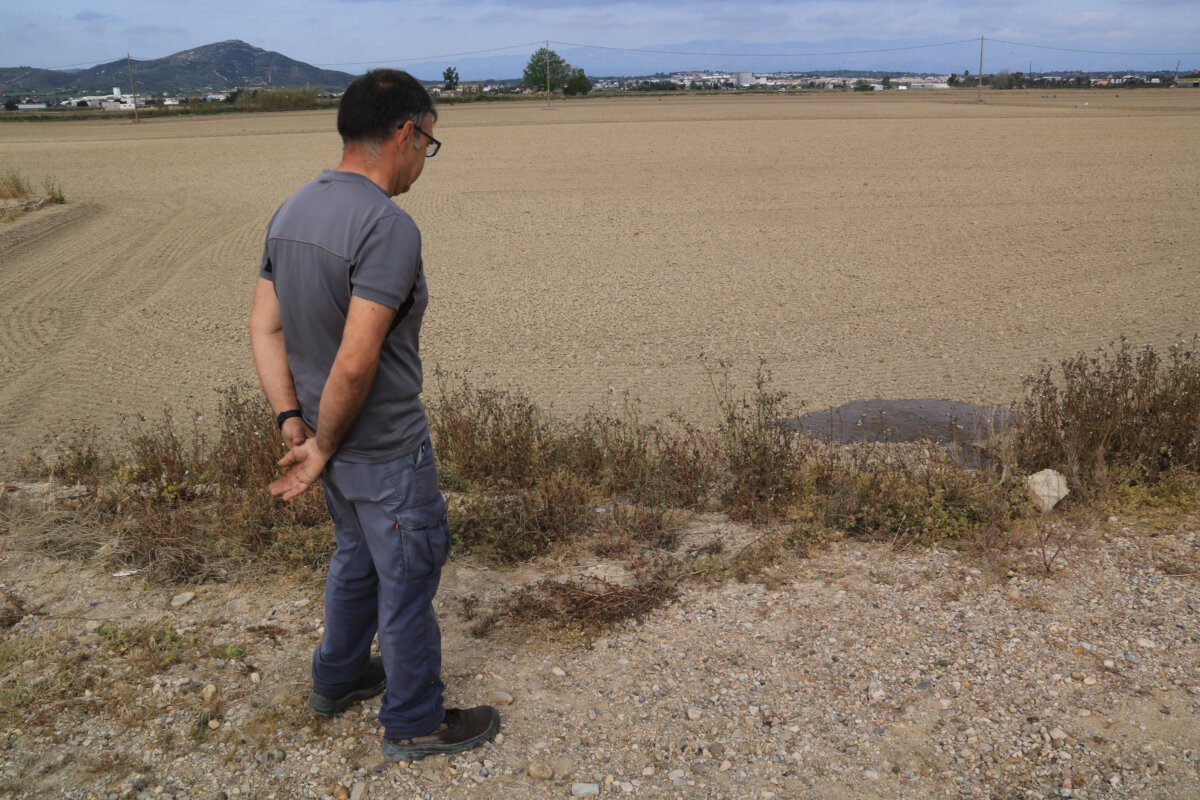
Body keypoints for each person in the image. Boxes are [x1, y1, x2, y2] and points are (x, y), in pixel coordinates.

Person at [248, 68, 499, 762]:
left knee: (357, 559)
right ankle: (414, 720)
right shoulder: (387, 225)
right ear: (404, 132)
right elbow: (357, 362)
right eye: (430, 141)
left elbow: (264, 327)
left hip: (325, 444)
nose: (426, 158)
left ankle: (337, 677)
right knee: (410, 571)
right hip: (382, 447)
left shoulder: (293, 209)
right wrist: (324, 443)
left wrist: (290, 421)